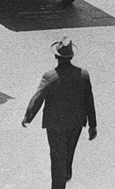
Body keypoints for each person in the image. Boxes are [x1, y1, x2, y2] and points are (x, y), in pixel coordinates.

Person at [22, 37, 97, 189]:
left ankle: (59, 182)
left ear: (56, 56)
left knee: (57, 158)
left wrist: (28, 116)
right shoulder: (83, 75)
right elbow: (89, 101)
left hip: (55, 125)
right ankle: (65, 173)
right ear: (71, 56)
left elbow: (38, 97)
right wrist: (92, 125)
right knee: (69, 152)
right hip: (75, 123)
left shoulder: (50, 77)